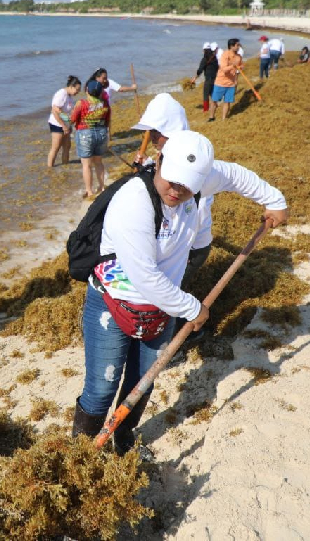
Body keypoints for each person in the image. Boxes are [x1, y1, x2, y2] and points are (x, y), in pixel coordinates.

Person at [71, 130, 288, 457]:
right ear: (159, 161)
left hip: (160, 309)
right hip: (113, 304)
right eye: (172, 181)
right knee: (102, 387)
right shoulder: (134, 201)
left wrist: (275, 201)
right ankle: (81, 455)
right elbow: (145, 277)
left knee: (143, 381)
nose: (176, 191)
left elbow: (236, 176)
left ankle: (124, 441)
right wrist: (192, 307)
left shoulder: (201, 180)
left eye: (187, 186)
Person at [132, 94, 215, 335]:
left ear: (169, 133)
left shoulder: (192, 161)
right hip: (176, 244)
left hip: (189, 245)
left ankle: (185, 333)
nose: (151, 138)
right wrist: (147, 167)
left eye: (155, 133)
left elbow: (190, 211)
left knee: (170, 293)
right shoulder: (169, 156)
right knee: (169, 289)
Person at [71, 80, 110, 198]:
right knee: (98, 162)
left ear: (87, 91)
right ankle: (102, 186)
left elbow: (72, 119)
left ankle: (89, 190)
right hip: (101, 133)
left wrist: (60, 114)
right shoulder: (105, 104)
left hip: (85, 134)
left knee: (86, 165)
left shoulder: (81, 103)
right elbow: (107, 121)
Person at [47, 76, 81, 167]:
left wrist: (70, 124)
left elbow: (67, 111)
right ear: (71, 87)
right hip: (57, 124)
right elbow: (55, 110)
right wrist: (63, 126)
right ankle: (50, 168)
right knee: (56, 147)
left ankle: (65, 166)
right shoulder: (61, 94)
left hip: (65, 124)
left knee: (67, 146)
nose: (78, 92)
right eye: (77, 89)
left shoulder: (69, 96)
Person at [209, 38, 242, 122]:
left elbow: (238, 69)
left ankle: (224, 119)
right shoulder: (225, 55)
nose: (239, 47)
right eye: (237, 45)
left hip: (231, 83)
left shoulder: (239, 57)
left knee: (227, 102)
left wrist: (237, 77)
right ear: (231, 46)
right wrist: (233, 66)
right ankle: (211, 117)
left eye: (239, 45)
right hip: (220, 82)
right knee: (214, 101)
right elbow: (224, 69)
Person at [190, 44, 219, 113]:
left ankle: (206, 109)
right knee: (212, 93)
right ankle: (215, 105)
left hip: (208, 80)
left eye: (203, 50)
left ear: (204, 50)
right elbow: (217, 68)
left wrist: (194, 78)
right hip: (215, 79)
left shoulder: (204, 59)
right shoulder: (214, 58)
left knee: (206, 94)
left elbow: (200, 70)